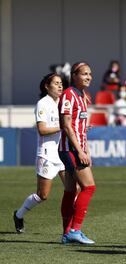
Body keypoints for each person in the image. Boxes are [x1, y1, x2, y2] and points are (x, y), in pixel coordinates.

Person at [13, 73, 65, 233]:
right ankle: (19, 215)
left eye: (61, 83)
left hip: (62, 154)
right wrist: (64, 127)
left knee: (74, 189)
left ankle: (71, 228)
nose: (60, 86)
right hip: (47, 154)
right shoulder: (42, 104)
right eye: (56, 83)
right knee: (42, 195)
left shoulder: (63, 103)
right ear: (46, 86)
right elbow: (42, 130)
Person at [58, 62, 96, 244]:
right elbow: (66, 125)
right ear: (74, 76)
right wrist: (80, 151)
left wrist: (87, 149)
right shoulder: (69, 95)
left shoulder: (82, 96)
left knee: (71, 189)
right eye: (84, 74)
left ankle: (66, 233)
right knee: (89, 187)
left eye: (90, 74)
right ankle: (75, 230)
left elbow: (79, 127)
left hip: (77, 148)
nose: (89, 77)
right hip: (70, 149)